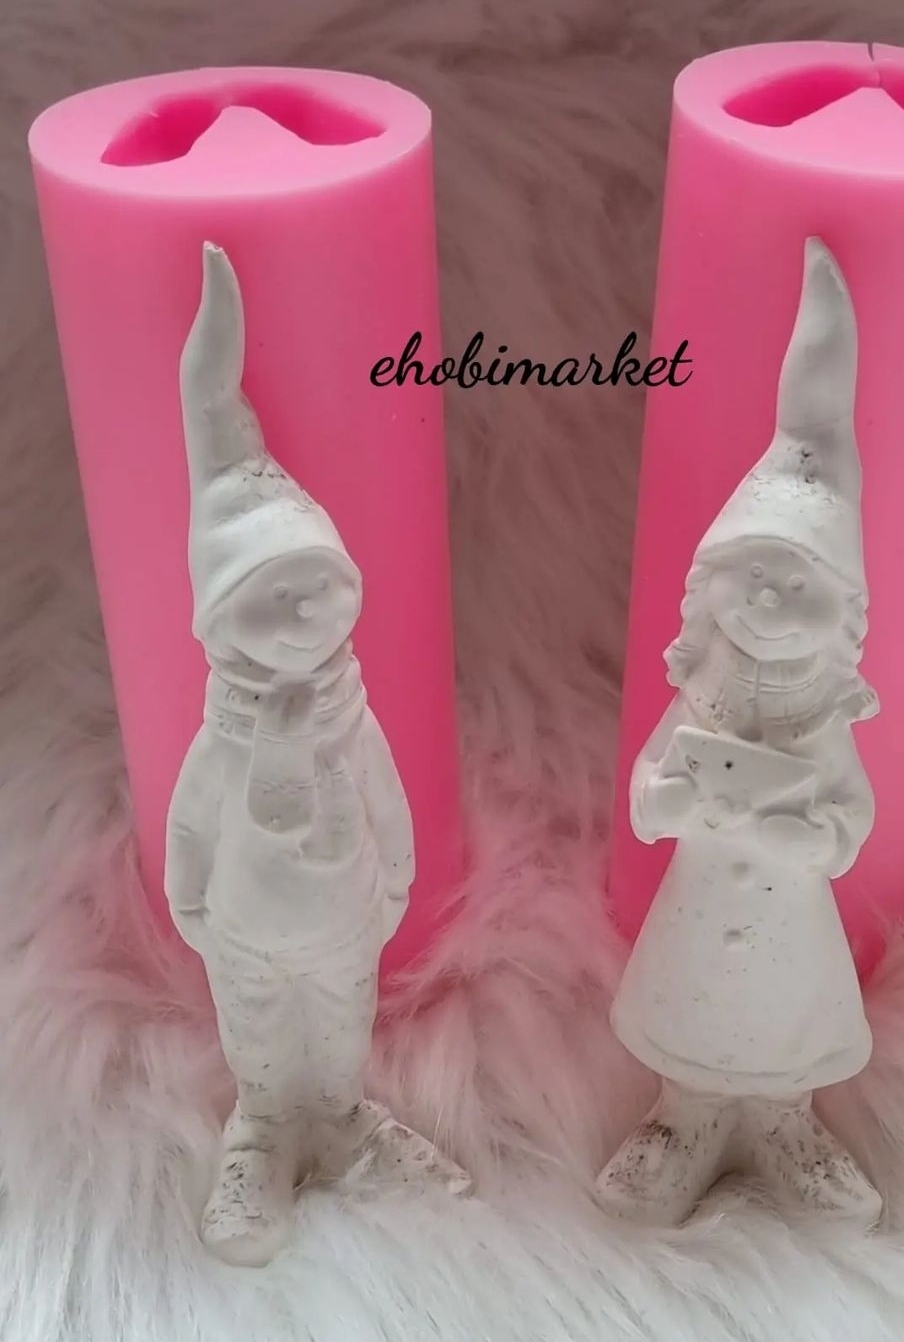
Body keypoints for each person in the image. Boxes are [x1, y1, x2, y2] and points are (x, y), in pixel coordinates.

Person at [166, 244, 470, 1268]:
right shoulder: (226, 733)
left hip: (343, 918)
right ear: (219, 620)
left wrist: (397, 880)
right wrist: (190, 898)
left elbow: (380, 793)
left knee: (342, 1023)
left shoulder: (348, 714)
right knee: (259, 1031)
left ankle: (341, 1120)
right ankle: (261, 1132)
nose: (303, 613)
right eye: (273, 595)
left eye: (318, 585)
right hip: (247, 931)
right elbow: (196, 814)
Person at [596, 239, 881, 1227]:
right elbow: (647, 790)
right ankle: (685, 1116)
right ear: (711, 584)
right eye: (752, 575)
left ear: (842, 606)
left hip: (789, 912)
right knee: (697, 1003)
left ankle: (786, 1121)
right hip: (704, 890)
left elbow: (849, 812)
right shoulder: (705, 699)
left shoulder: (823, 711)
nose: (768, 601)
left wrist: (814, 835)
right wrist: (670, 798)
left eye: (798, 585)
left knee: (780, 1013)